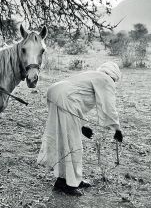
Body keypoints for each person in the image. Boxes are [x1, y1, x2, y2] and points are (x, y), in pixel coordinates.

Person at [37, 61, 123, 196]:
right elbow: (109, 107)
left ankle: (67, 180)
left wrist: (82, 125)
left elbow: (77, 98)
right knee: (73, 144)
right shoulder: (106, 80)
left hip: (54, 92)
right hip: (65, 98)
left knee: (63, 139)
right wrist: (117, 129)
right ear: (114, 76)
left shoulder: (92, 75)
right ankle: (69, 184)